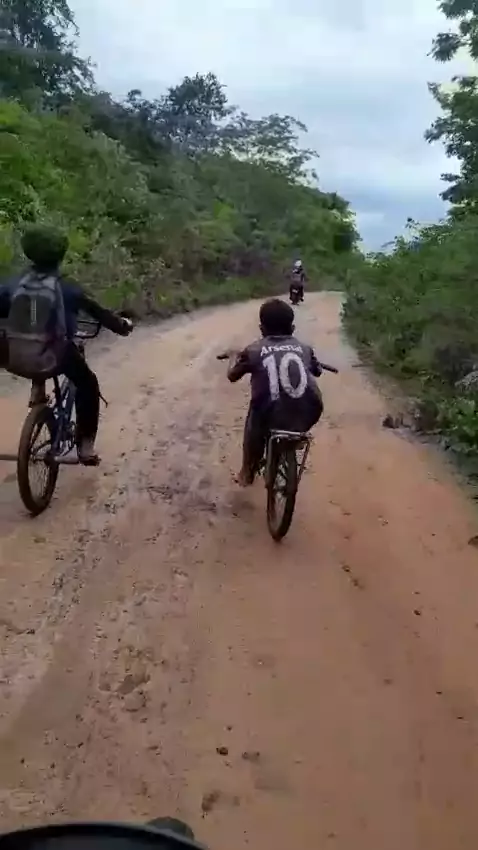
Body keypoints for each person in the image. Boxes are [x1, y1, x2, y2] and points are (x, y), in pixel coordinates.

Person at [0, 224, 133, 464]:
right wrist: (122, 326)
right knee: (87, 383)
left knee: (29, 341)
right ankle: (85, 445)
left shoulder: (12, 283)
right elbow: (101, 314)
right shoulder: (68, 287)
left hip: (11, 355)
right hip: (53, 355)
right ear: (61, 254)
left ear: (28, 251)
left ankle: (37, 390)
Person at [227, 298, 324, 486]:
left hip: (267, 413)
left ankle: (247, 471)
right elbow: (317, 371)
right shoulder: (305, 348)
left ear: (262, 329)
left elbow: (232, 376)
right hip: (309, 411)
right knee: (301, 405)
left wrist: (233, 356)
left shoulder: (253, 350)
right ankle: (295, 436)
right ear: (292, 328)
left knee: (254, 417)